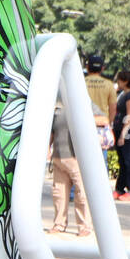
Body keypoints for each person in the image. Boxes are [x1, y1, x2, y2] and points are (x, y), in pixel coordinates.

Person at [49, 99, 91, 236]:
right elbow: (51, 133)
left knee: (81, 193)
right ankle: (59, 223)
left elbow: (102, 119)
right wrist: (48, 150)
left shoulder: (83, 106)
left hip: (76, 158)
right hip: (58, 157)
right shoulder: (56, 111)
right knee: (59, 193)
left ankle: (84, 226)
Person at [113, 69, 130, 200]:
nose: (118, 82)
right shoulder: (122, 94)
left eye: (120, 80)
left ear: (126, 81)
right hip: (118, 128)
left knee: (129, 160)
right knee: (122, 160)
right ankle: (120, 188)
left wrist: (123, 134)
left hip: (128, 130)